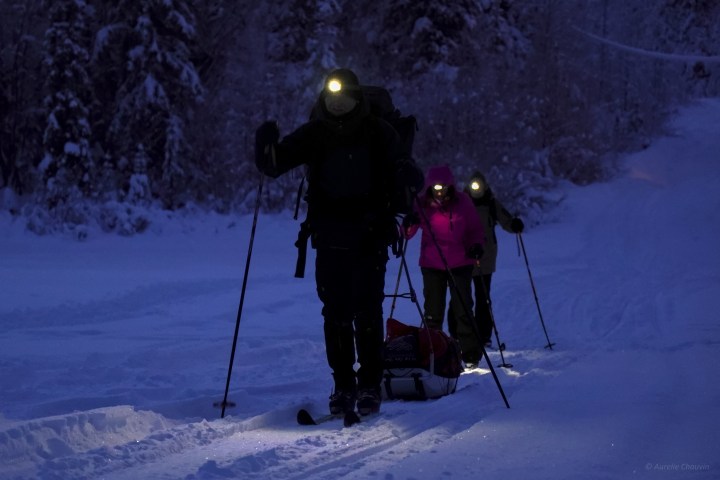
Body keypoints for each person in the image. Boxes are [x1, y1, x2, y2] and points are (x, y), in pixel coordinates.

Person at [254, 68, 424, 416]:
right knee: (335, 315)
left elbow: (407, 171)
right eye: (331, 98)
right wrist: (266, 145)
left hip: (370, 237)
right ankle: (343, 385)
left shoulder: (379, 131)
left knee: (366, 312)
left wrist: (409, 177)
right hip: (329, 238)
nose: (338, 103)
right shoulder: (316, 132)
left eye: (343, 97)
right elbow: (275, 165)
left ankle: (369, 386)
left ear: (356, 98)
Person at [403, 165, 486, 368]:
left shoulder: (462, 202)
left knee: (463, 308)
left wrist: (476, 246)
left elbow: (475, 228)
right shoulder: (422, 204)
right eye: (436, 187)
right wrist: (410, 222)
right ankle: (433, 352)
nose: (439, 190)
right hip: (432, 264)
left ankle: (471, 353)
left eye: (443, 186)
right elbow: (407, 234)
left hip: (460, 262)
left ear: (450, 186)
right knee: (433, 311)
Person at [448, 171, 524, 347]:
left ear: (484, 185)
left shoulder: (490, 203)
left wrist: (514, 225)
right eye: (474, 185)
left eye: (479, 185)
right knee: (460, 297)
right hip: (463, 258)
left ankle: (484, 336)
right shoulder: (460, 203)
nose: (477, 189)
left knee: (483, 298)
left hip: (486, 258)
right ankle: (457, 334)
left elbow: (506, 219)